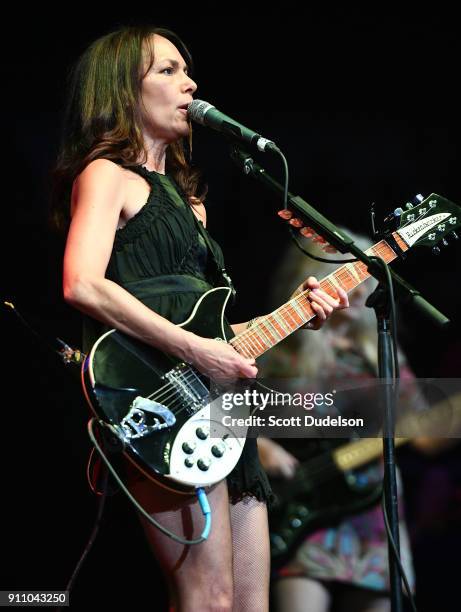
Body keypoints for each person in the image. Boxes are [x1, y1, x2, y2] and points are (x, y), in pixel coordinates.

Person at [51, 25, 348, 612]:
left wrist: (295, 316)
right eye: (167, 71)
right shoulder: (106, 175)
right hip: (160, 412)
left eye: (186, 70)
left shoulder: (193, 207)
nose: (190, 83)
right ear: (122, 91)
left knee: (248, 604)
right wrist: (197, 351)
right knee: (207, 600)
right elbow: (82, 283)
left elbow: (212, 334)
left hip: (223, 415)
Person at [257, 230, 424, 612]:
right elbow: (229, 413)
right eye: (354, 275)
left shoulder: (381, 352)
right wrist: (260, 446)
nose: (364, 286)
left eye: (369, 276)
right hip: (302, 512)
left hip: (372, 515)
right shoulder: (282, 348)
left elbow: (422, 429)